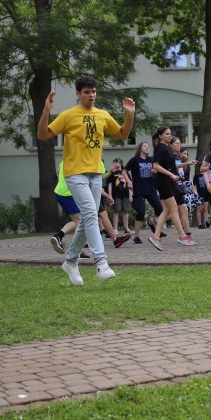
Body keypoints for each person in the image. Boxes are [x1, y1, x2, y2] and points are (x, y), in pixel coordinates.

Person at [37, 75, 137, 283]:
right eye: (86, 92)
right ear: (78, 93)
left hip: (95, 174)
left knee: (86, 219)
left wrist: (129, 115)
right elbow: (43, 135)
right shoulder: (68, 115)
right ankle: (101, 263)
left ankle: (70, 261)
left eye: (93, 91)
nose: (91, 95)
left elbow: (122, 134)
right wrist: (46, 111)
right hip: (75, 174)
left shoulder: (102, 115)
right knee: (91, 214)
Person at [145, 125, 195, 250]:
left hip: (166, 181)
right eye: (167, 134)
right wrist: (171, 175)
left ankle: (156, 237)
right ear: (160, 136)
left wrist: (187, 163)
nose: (169, 135)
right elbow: (156, 166)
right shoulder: (160, 148)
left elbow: (172, 166)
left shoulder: (166, 148)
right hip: (163, 182)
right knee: (174, 209)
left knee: (167, 210)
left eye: (170, 133)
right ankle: (182, 236)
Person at [126, 142, 162, 244]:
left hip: (151, 189)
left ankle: (151, 220)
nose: (147, 147)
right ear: (140, 149)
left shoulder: (151, 160)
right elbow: (124, 170)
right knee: (141, 212)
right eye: (144, 146)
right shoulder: (135, 160)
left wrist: (155, 172)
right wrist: (129, 181)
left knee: (160, 209)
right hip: (139, 190)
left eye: (148, 146)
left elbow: (157, 170)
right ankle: (136, 236)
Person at [105, 158, 131, 235]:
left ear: (121, 164)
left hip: (125, 194)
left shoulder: (125, 172)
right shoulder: (112, 173)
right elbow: (109, 185)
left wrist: (130, 195)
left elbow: (129, 183)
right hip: (116, 195)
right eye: (114, 162)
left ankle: (126, 228)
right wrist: (110, 195)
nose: (115, 164)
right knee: (116, 211)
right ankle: (115, 229)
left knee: (125, 211)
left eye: (116, 162)